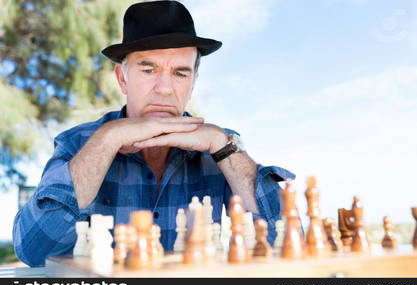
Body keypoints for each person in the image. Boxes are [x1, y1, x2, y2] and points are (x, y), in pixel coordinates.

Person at [13, 1, 295, 267]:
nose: (164, 88)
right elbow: (34, 250)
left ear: (193, 82)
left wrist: (223, 146)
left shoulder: (220, 148)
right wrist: (107, 140)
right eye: (149, 69)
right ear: (123, 78)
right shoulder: (79, 143)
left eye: (180, 74)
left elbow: (286, 241)